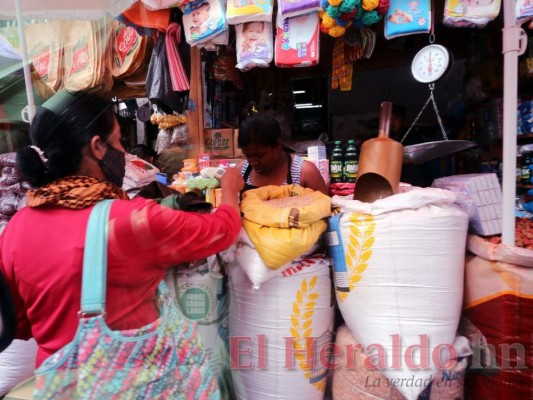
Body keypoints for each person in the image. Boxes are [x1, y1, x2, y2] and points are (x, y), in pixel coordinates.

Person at [0, 90, 243, 379]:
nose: (124, 153)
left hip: (59, 385)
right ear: (97, 147)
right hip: (131, 382)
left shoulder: (18, 226)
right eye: (117, 141)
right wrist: (229, 190)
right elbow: (221, 232)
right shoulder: (133, 221)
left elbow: (19, 322)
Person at [235, 105, 328, 195]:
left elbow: (324, 207)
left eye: (260, 156)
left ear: (278, 145)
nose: (253, 162)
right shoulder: (240, 172)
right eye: (248, 156)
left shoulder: (305, 173)